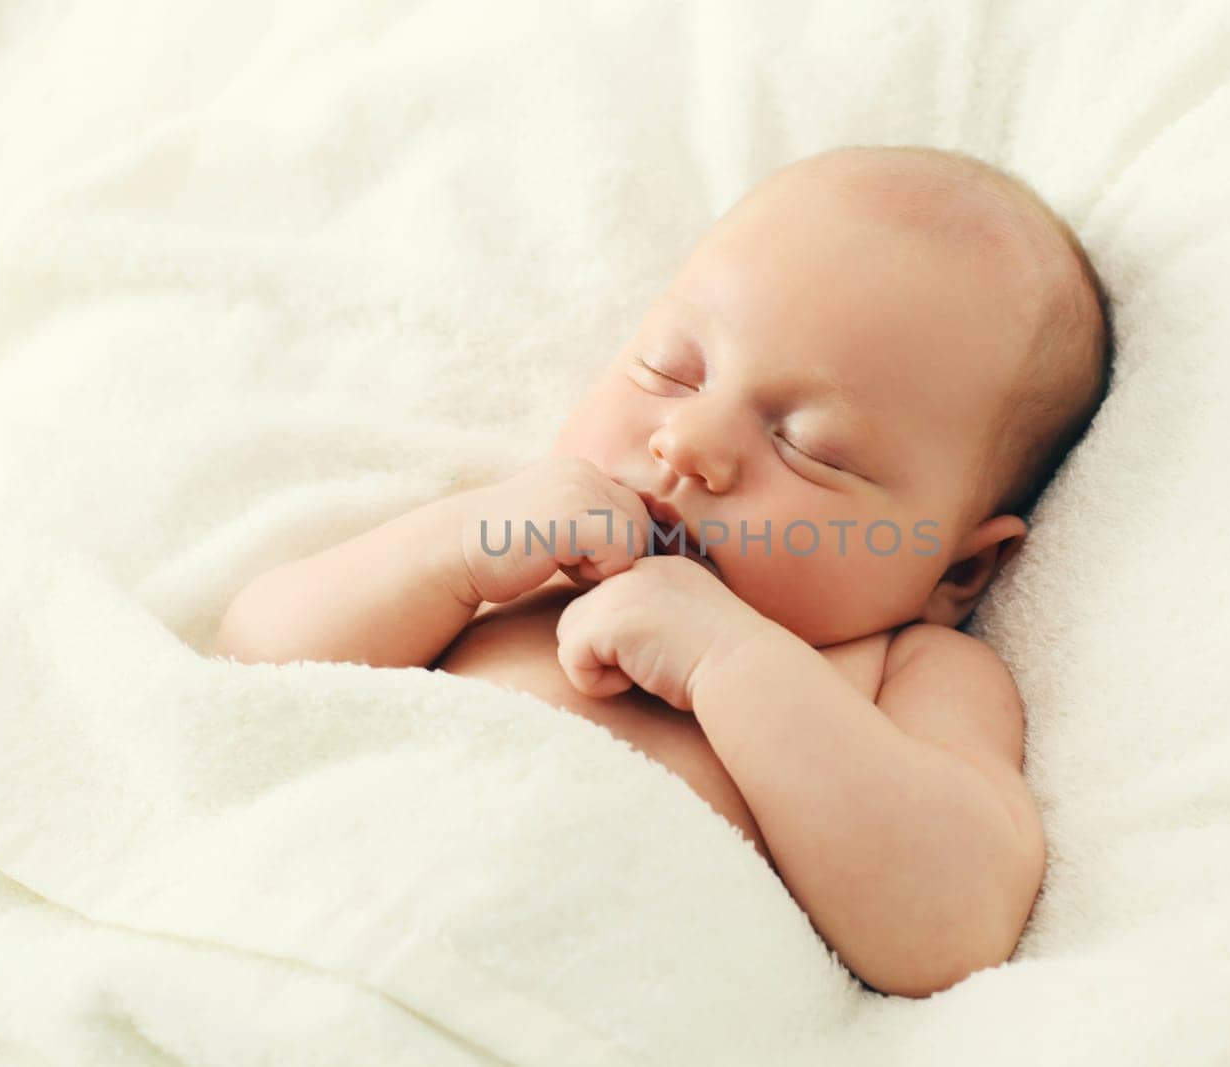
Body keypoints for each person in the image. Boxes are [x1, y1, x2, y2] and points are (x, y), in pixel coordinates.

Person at [214, 144, 1113, 998]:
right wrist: (456, 549)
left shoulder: (910, 673)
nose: (686, 443)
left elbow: (950, 923)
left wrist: (729, 661)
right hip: (275, 924)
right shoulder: (522, 555)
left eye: (809, 448)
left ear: (959, 569)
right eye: (669, 371)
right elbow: (258, 661)